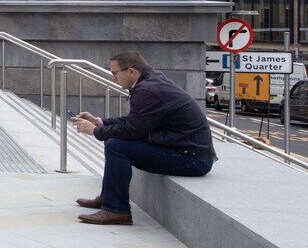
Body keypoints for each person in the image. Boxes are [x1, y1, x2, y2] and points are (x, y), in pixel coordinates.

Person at [71, 49, 214, 225]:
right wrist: (99, 122)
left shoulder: (148, 89)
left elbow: (132, 130)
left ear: (131, 71)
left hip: (193, 159)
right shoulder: (150, 82)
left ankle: (117, 210)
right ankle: (108, 198)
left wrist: (94, 131)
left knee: (116, 145)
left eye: (115, 73)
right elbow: (136, 121)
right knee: (114, 141)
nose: (113, 79)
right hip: (186, 151)